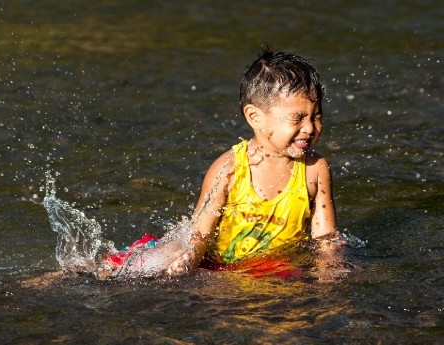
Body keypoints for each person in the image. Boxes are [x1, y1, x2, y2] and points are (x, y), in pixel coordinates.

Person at [103, 48, 345, 280]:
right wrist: (187, 261)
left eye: (317, 116)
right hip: (219, 265)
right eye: (298, 118)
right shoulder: (229, 169)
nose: (310, 128)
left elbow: (326, 238)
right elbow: (199, 232)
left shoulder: (315, 169)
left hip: (271, 267)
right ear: (255, 117)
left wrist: (330, 274)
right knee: (152, 264)